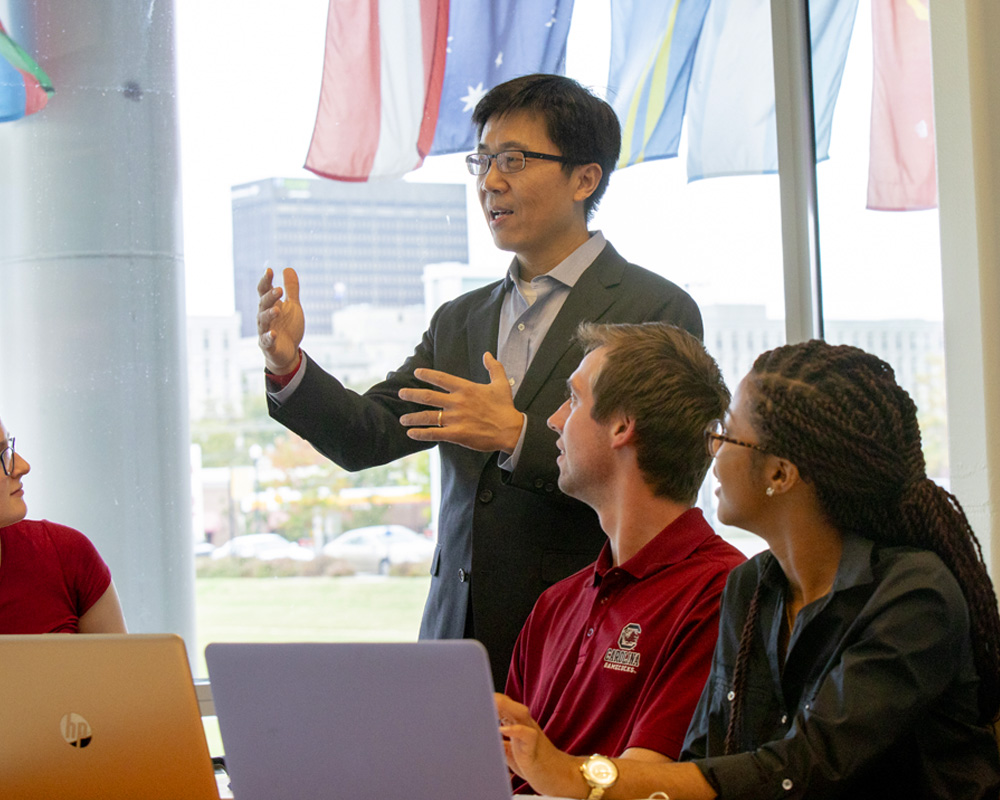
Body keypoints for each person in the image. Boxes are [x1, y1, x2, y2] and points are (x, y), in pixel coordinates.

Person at [256, 74, 702, 687]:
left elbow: (663, 476)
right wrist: (288, 366)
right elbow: (371, 435)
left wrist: (517, 435)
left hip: (582, 638)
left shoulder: (656, 310)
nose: (490, 181)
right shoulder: (460, 319)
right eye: (483, 161)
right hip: (452, 639)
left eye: (513, 161)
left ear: (585, 178)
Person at [496, 340, 1000, 800]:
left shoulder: (914, 596)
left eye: (729, 437)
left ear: (779, 474)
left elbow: (802, 771)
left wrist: (579, 778)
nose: (712, 452)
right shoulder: (754, 588)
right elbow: (707, 760)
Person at [505, 322, 745, 794]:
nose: (554, 420)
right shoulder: (556, 604)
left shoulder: (722, 592)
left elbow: (654, 783)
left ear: (621, 426)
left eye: (572, 400)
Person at [0, 420, 127, 633]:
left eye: (8, 450)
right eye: (2, 457)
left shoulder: (65, 553)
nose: (23, 467)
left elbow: (121, 665)